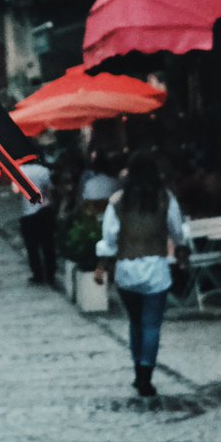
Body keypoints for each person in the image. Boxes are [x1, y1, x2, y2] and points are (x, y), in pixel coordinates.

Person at [93, 151, 190, 397]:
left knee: (135, 322)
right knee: (152, 325)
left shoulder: (118, 201)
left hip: (127, 269)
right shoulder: (164, 198)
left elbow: (109, 238)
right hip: (156, 268)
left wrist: (102, 265)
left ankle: (138, 369)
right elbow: (177, 231)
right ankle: (146, 374)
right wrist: (179, 248)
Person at [19, 157, 57, 285]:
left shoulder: (19, 171)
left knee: (32, 246)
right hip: (44, 210)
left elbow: (16, 191)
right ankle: (51, 274)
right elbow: (49, 190)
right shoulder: (43, 170)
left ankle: (38, 274)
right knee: (48, 244)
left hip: (28, 212)